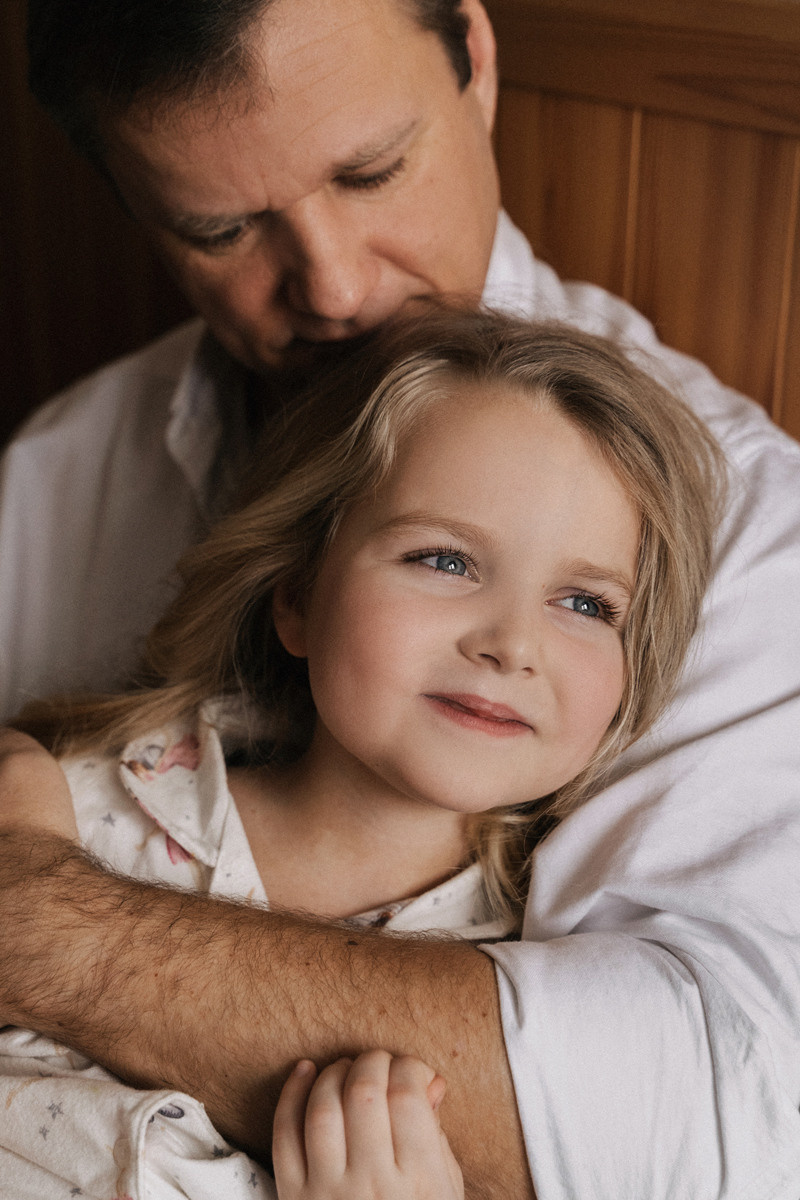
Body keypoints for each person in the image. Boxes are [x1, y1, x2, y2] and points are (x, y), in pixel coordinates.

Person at [2, 0, 800, 1196]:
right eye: (219, 227)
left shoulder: (750, 528)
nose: (329, 284)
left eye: (371, 171)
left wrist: (45, 926)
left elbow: (730, 1114)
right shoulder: (58, 476)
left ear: (474, 59)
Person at [0, 311, 722, 1197]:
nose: (512, 644)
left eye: (585, 604)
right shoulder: (56, 821)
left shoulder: (557, 1004)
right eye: (446, 561)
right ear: (298, 594)